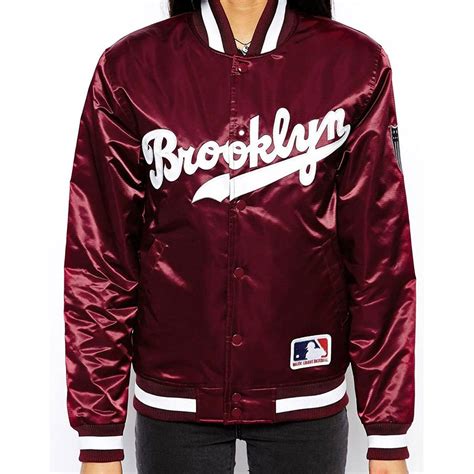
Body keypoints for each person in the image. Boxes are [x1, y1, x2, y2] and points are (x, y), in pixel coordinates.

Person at [63, 1, 417, 473]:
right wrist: (99, 437)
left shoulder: (354, 65)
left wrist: (388, 436)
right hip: (176, 396)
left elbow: (380, 256)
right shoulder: (132, 69)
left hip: (307, 390)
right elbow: (100, 258)